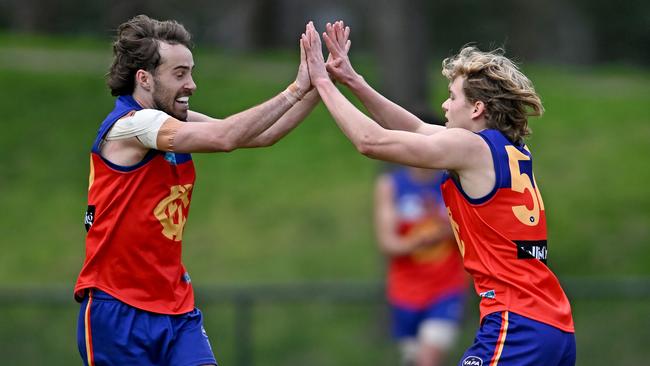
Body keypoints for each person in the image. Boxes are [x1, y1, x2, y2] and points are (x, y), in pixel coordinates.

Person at [301, 21, 576, 365]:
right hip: (553, 323)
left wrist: (323, 83)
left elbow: (370, 141)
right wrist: (352, 79)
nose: (445, 107)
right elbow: (415, 127)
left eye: (452, 97)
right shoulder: (509, 150)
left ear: (477, 109)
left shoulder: (469, 147)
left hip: (517, 322)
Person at [74, 14, 322, 365]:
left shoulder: (173, 121)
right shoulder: (132, 125)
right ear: (143, 79)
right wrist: (295, 88)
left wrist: (320, 85)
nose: (191, 84)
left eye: (190, 72)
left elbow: (262, 135)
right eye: (179, 74)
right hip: (117, 310)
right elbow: (225, 138)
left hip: (175, 308)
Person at [375, 165, 468, 366]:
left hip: (447, 288)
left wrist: (442, 233)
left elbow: (470, 231)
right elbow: (388, 243)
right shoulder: (391, 185)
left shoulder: (454, 181)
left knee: (428, 359)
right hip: (405, 293)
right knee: (413, 359)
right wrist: (420, 241)